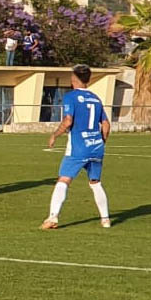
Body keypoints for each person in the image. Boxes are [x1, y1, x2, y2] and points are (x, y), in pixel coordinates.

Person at [42, 65, 112, 229]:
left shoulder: (71, 97)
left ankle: (52, 218)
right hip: (96, 146)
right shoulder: (95, 98)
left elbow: (68, 120)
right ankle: (105, 220)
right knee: (95, 182)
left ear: (73, 79)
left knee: (64, 180)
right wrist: (101, 141)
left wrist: (54, 135)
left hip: (79, 147)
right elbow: (106, 124)